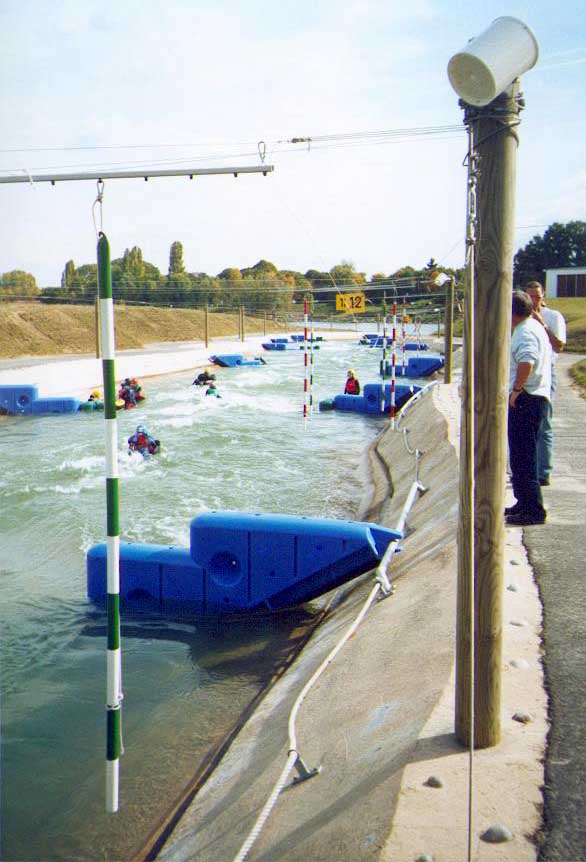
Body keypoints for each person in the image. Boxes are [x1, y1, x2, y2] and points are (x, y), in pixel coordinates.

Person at [506, 290, 552, 526]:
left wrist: (516, 389)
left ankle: (533, 510)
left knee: (523, 457)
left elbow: (527, 361)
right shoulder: (534, 327)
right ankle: (523, 501)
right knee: (521, 456)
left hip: (527, 398)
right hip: (534, 396)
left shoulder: (524, 332)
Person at [525, 281, 566, 486]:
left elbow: (559, 346)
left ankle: (543, 472)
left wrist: (542, 323)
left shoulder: (553, 316)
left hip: (546, 372)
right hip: (523, 373)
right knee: (522, 425)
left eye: (537, 297)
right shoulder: (520, 318)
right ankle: (525, 470)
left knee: (544, 423)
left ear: (543, 296)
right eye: (529, 296)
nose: (533, 301)